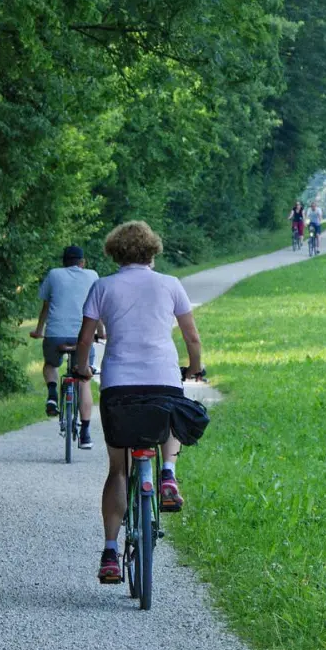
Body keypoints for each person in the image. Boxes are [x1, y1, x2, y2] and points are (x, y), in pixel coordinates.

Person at [71, 221, 209, 585]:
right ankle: (167, 475)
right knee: (171, 413)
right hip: (162, 377)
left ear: (114, 252)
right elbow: (192, 338)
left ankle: (111, 552)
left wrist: (82, 368)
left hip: (119, 385)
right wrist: (194, 369)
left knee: (118, 469)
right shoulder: (170, 285)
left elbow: (85, 339)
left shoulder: (102, 286)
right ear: (153, 251)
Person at [30, 244, 100, 449]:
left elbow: (46, 305)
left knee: (51, 364)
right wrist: (102, 331)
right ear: (82, 262)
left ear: (63, 262)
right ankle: (86, 434)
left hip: (55, 334)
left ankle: (52, 395)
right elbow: (96, 309)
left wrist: (38, 330)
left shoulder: (54, 274)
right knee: (83, 378)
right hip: (83, 335)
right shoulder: (93, 275)